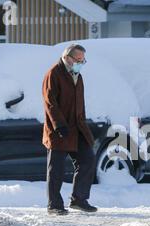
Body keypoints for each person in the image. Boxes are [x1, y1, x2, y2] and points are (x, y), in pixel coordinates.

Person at [42, 44, 97, 216]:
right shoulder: (54, 73)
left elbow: (80, 105)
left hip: (77, 127)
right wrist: (59, 125)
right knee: (56, 168)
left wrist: (84, 126)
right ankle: (54, 204)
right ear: (67, 57)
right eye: (78, 60)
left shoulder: (77, 76)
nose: (81, 63)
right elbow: (50, 103)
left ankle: (79, 199)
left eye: (83, 60)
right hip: (59, 129)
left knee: (87, 159)